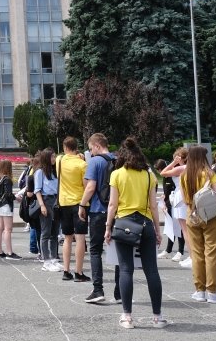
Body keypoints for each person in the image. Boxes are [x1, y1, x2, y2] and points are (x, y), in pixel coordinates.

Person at [105, 136, 166, 329]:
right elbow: (154, 206)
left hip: (124, 223)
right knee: (152, 271)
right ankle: (157, 317)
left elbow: (113, 204)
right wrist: (158, 229)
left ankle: (127, 317)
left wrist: (108, 227)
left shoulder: (117, 174)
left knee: (125, 269)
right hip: (146, 223)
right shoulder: (149, 175)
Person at [180, 144, 216, 303]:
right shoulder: (209, 174)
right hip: (210, 217)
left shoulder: (184, 175)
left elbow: (184, 200)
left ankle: (199, 290)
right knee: (211, 253)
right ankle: (213, 291)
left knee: (197, 254)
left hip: (191, 216)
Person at [79, 133, 114, 302]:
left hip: (98, 210)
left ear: (97, 146)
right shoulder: (117, 160)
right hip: (116, 211)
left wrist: (82, 204)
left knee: (95, 250)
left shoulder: (95, 161)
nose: (91, 152)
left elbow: (90, 187)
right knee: (117, 251)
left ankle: (98, 290)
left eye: (91, 148)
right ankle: (120, 292)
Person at [58, 136, 89, 282]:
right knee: (81, 237)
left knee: (67, 238)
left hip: (64, 202)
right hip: (79, 202)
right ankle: (78, 271)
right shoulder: (82, 164)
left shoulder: (60, 161)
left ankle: (66, 270)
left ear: (64, 148)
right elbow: (85, 185)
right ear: (76, 147)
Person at [160, 148, 192, 267]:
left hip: (180, 197)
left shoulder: (181, 168)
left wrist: (174, 163)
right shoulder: (192, 167)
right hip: (189, 197)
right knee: (189, 229)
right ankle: (193, 255)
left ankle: (191, 256)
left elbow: (163, 173)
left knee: (185, 230)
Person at [34, 148, 61, 272]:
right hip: (46, 200)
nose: (54, 159)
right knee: (46, 232)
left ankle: (54, 258)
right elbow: (37, 190)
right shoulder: (40, 172)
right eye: (52, 157)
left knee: (55, 232)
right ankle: (46, 260)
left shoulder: (55, 172)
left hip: (56, 201)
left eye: (54, 157)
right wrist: (42, 205)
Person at [0, 159, 20, 259]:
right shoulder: (7, 179)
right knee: (8, 229)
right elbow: (8, 194)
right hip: (6, 206)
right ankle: (9, 253)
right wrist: (16, 197)